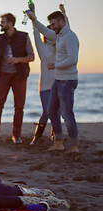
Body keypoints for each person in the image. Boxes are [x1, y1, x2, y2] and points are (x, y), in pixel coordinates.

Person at [27, 6, 80, 152]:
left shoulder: (69, 37)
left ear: (62, 22)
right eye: (51, 25)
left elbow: (73, 60)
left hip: (67, 80)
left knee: (67, 114)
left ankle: (74, 146)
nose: (52, 28)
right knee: (51, 111)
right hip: (58, 80)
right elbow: (42, 31)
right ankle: (58, 142)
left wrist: (55, 65)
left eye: (54, 24)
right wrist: (34, 19)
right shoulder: (60, 36)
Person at [0, 12, 34, 144]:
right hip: (3, 75)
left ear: (10, 23)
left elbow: (31, 57)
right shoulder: (0, 38)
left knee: (19, 107)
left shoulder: (23, 37)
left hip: (19, 75)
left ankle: (17, 136)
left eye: (2, 22)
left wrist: (17, 60)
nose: (0, 24)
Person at [29, 4, 68, 145]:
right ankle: (37, 137)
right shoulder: (42, 48)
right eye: (48, 30)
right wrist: (33, 15)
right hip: (45, 86)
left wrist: (64, 14)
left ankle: (55, 137)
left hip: (59, 83)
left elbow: (66, 31)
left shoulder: (61, 47)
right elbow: (35, 32)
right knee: (47, 111)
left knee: (56, 113)